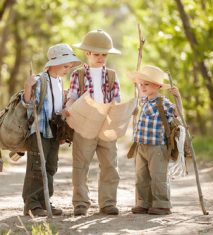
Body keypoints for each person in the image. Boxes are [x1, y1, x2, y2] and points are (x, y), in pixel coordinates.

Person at [64, 29, 121, 216]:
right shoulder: (77, 75)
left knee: (110, 165)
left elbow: (116, 100)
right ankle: (80, 202)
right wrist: (68, 108)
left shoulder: (112, 75)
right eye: (97, 54)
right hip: (84, 125)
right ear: (87, 53)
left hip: (106, 125)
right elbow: (72, 96)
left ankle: (108, 202)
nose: (101, 58)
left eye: (104, 54)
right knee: (81, 165)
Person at [21, 43, 81, 217]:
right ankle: (32, 204)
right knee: (36, 167)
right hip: (39, 131)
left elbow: (58, 106)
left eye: (69, 66)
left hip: (54, 131)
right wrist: (27, 88)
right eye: (65, 65)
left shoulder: (60, 81)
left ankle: (45, 201)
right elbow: (27, 104)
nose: (67, 69)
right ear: (53, 64)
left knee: (50, 167)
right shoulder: (40, 80)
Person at [129, 65, 181, 215]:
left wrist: (178, 98)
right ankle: (143, 203)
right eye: (141, 84)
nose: (143, 87)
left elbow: (178, 113)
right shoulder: (143, 101)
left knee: (158, 176)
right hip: (142, 146)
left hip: (157, 146)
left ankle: (162, 204)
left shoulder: (162, 102)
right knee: (141, 176)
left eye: (147, 84)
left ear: (157, 86)